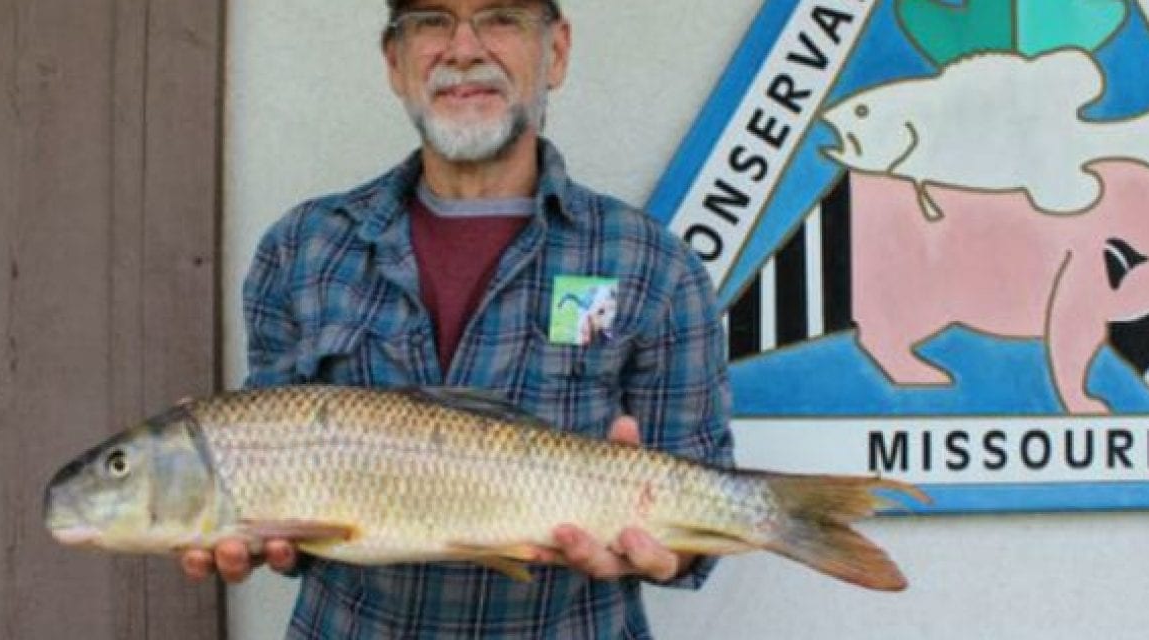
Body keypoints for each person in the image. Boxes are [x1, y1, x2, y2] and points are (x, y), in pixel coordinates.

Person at [179, 0, 734, 637]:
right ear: (394, 60)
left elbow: (700, 508)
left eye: (500, 18)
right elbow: (280, 503)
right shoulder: (304, 248)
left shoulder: (654, 265)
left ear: (554, 52)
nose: (462, 48)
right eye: (431, 21)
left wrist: (671, 548)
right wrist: (244, 524)